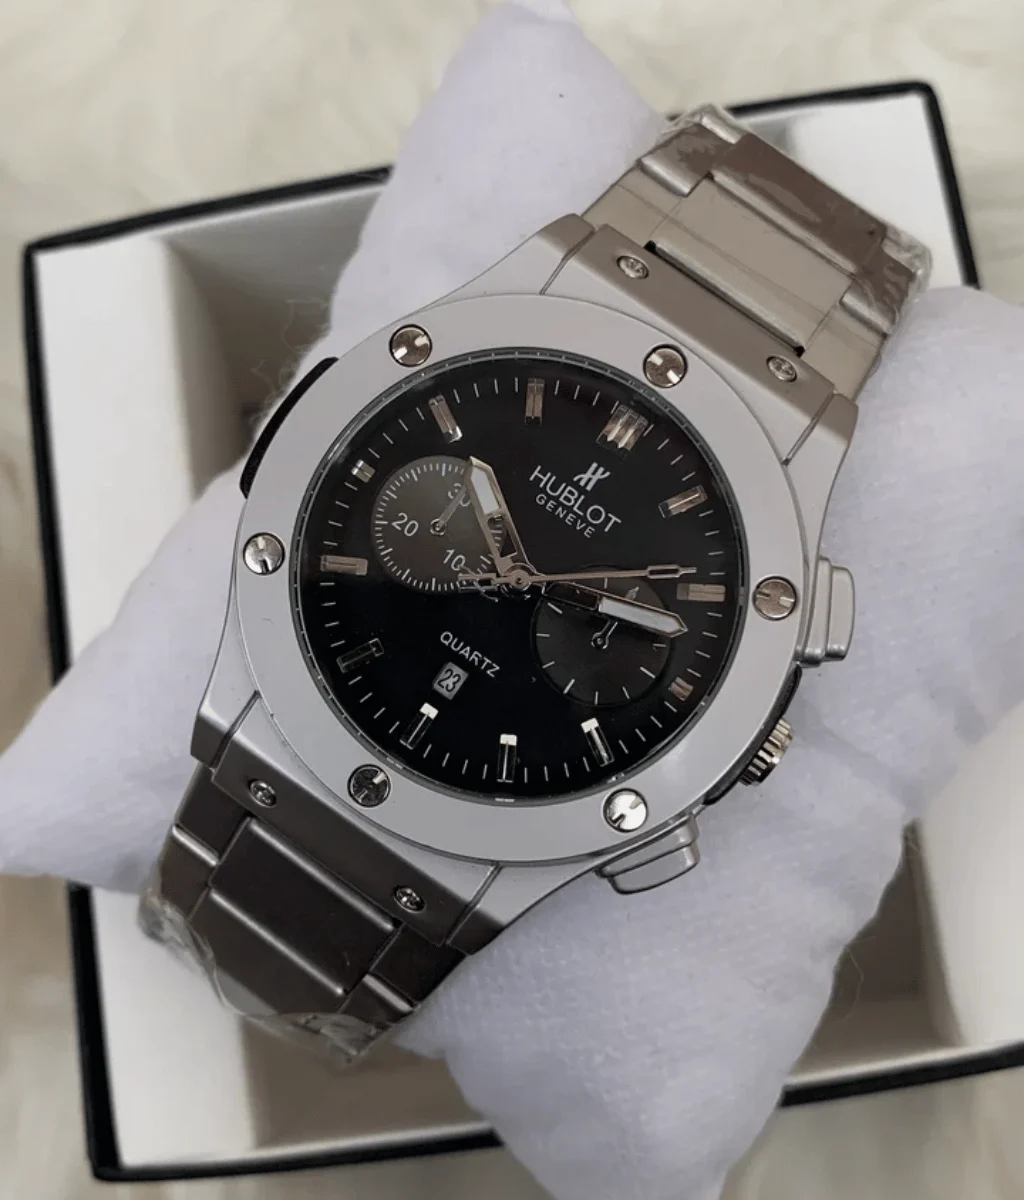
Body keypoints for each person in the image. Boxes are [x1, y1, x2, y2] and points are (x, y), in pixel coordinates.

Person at [2, 4, 1023, 1198]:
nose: (518, 581)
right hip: (330, 700)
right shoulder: (523, 330)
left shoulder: (782, 511)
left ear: (788, 645)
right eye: (508, 563)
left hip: (490, 784)